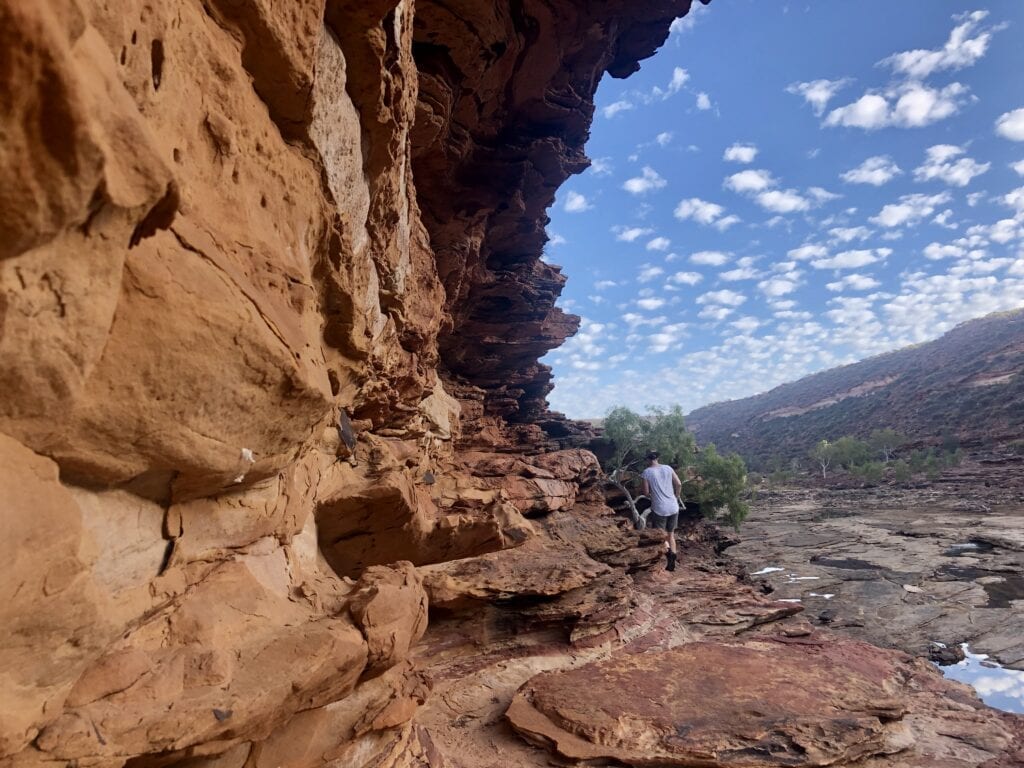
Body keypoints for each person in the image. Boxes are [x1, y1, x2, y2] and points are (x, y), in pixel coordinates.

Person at [640, 450, 682, 571]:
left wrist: (653, 495)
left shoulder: (646, 472)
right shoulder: (668, 468)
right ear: (657, 458)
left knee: (661, 536)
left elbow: (646, 492)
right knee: (671, 534)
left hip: (660, 508)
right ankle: (673, 556)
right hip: (673, 506)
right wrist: (676, 496)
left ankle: (669, 555)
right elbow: (678, 484)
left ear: (648, 460)